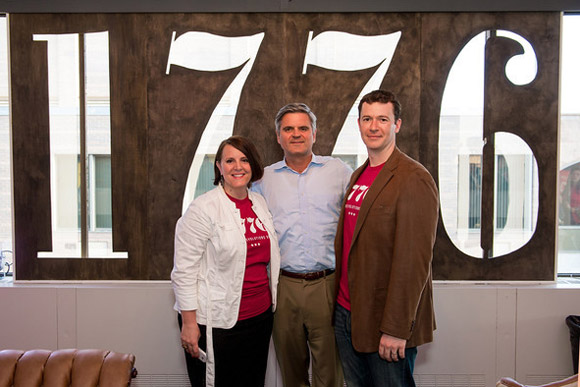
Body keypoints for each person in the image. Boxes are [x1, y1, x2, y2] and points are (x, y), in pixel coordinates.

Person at [333, 90, 439, 387]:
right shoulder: (359, 175)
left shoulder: (413, 178)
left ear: (397, 124)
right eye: (367, 119)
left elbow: (414, 261)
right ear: (359, 124)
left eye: (382, 119)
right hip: (348, 313)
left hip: (384, 322)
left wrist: (395, 328)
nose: (374, 126)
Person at [253, 103, 352, 387]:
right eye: (288, 129)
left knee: (331, 373)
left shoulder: (339, 172)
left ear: (314, 133)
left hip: (327, 286)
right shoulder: (263, 179)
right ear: (278, 136)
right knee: (291, 372)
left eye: (303, 128)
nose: (296, 134)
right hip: (283, 288)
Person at [171, 135, 281, 387]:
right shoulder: (203, 209)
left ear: (252, 165)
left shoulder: (259, 203)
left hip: (259, 318)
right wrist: (189, 324)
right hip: (218, 323)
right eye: (229, 160)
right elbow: (184, 271)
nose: (237, 166)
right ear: (219, 167)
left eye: (244, 160)